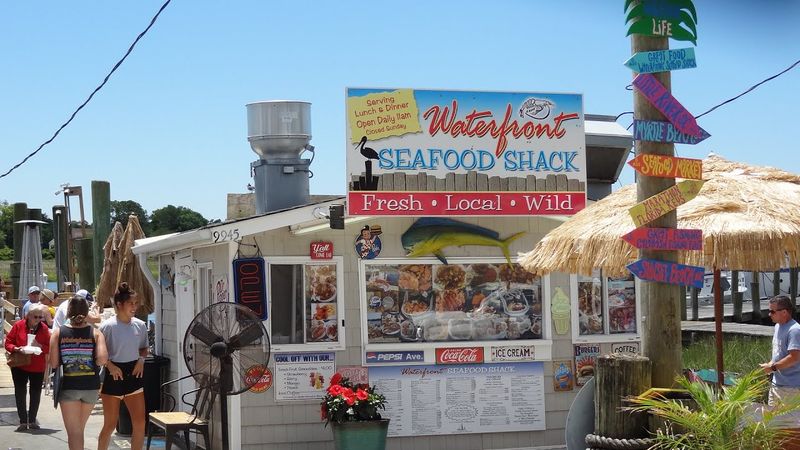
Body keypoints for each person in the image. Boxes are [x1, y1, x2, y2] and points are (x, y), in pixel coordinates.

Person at [50, 295, 108, 450]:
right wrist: (90, 362)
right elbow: (103, 359)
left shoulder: (57, 333)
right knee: (78, 431)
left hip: (69, 387)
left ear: (68, 312)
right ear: (86, 311)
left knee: (74, 433)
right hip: (91, 387)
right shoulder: (96, 333)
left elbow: (54, 363)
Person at [98, 282, 149, 450]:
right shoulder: (107, 326)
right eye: (130, 304)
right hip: (113, 375)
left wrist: (141, 361)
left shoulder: (140, 326)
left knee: (140, 423)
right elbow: (98, 353)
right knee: (110, 425)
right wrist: (110, 366)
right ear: (119, 305)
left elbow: (143, 348)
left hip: (134, 373)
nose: (134, 307)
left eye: (136, 303)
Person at [4, 303, 51, 431]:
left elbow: (50, 347)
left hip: (37, 366)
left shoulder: (44, 329)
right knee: (20, 392)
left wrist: (40, 345)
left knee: (35, 393)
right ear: (28, 316)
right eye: (35, 317)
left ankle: (32, 420)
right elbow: (8, 342)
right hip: (20, 364)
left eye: (40, 317)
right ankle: (23, 421)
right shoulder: (18, 326)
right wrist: (16, 348)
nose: (38, 320)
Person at [760, 295, 800, 406]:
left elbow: (794, 357)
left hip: (791, 388)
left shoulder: (794, 330)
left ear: (784, 312)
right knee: (772, 421)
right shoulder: (778, 326)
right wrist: (770, 364)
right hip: (776, 385)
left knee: (789, 423)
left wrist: (773, 367)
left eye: (772, 311)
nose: (769, 314)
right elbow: (779, 353)